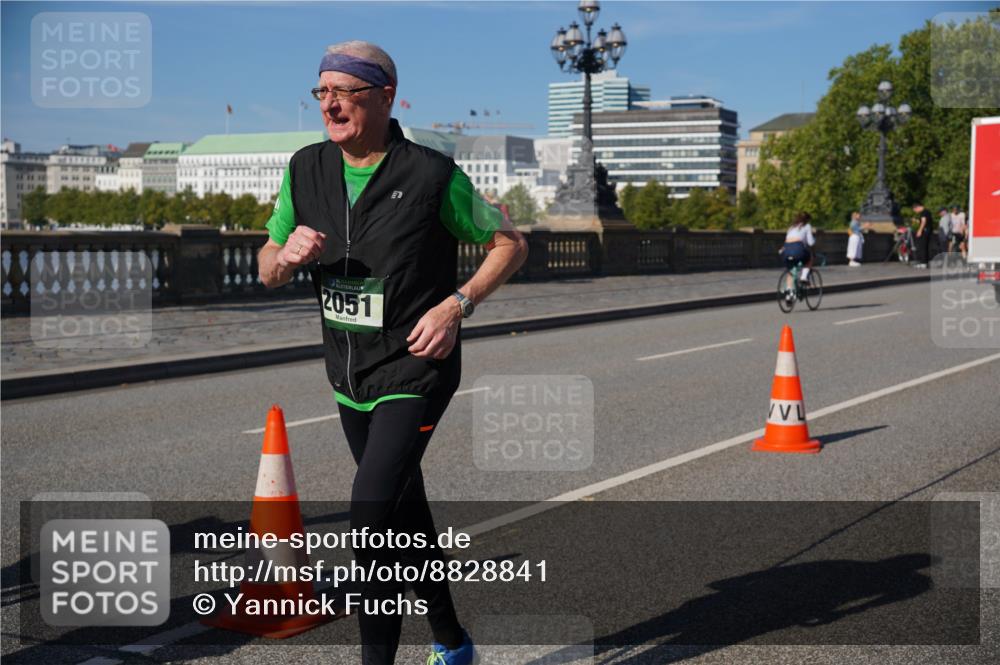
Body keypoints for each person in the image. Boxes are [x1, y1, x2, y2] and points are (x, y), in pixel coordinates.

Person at [257, 41, 528, 665]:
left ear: (385, 97)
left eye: (344, 91)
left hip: (416, 366)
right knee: (404, 511)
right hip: (348, 373)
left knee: (371, 515)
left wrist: (456, 305)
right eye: (322, 91)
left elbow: (510, 244)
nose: (329, 104)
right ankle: (453, 642)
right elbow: (267, 266)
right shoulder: (305, 169)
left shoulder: (431, 175)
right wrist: (285, 257)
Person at [779, 212, 816, 289]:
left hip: (786, 250)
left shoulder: (791, 227)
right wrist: (814, 240)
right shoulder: (807, 226)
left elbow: (786, 240)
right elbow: (811, 243)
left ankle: (789, 291)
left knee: (791, 270)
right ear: (807, 220)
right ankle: (804, 277)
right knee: (809, 258)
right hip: (797, 248)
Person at [913, 202, 933, 268]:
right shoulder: (927, 212)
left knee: (922, 247)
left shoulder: (923, 212)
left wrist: (919, 230)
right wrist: (916, 220)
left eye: (915, 210)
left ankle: (923, 263)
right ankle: (926, 262)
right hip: (928, 231)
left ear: (917, 207)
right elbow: (924, 221)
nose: (916, 212)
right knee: (926, 246)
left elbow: (923, 222)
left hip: (924, 231)